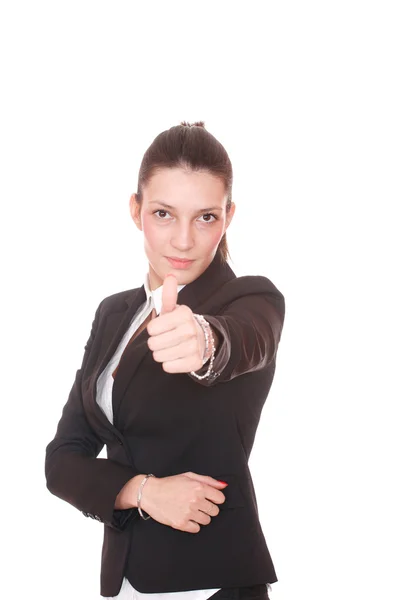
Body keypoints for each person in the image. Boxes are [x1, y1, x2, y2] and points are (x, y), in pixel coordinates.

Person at [45, 121, 285, 600]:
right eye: (163, 213)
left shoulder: (252, 300)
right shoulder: (114, 313)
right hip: (127, 581)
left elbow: (244, 341)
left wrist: (204, 341)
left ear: (228, 216)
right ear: (136, 211)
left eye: (205, 218)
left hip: (215, 581)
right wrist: (142, 490)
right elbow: (62, 461)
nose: (182, 241)